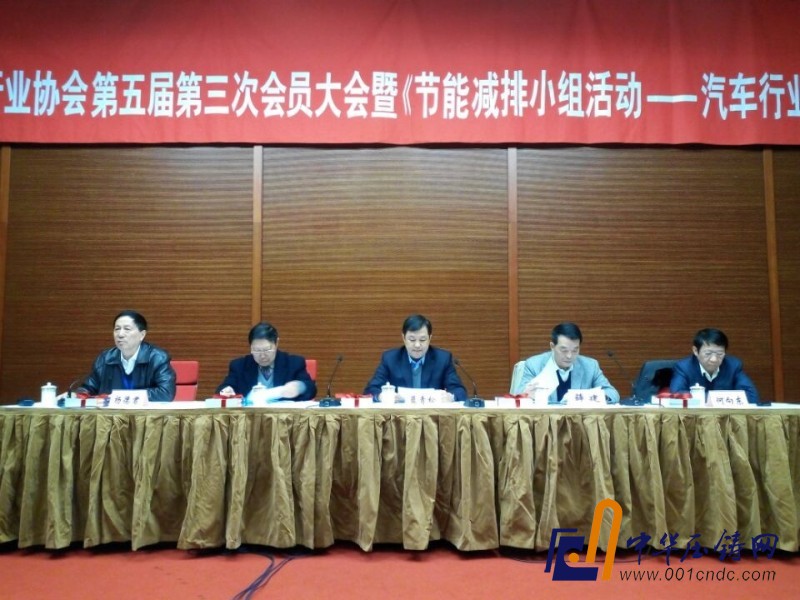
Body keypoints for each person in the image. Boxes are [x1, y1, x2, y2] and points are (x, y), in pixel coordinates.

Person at [364, 314, 467, 401]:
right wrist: (381, 396)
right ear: (404, 338)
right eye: (412, 340)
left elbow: (460, 391)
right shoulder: (390, 359)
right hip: (399, 416)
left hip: (432, 416)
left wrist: (450, 397)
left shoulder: (443, 359)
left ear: (430, 338)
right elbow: (370, 390)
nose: (417, 345)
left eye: (422, 340)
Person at [78, 310, 176, 402]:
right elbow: (88, 388)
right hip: (111, 414)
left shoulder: (157, 358)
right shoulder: (105, 358)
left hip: (145, 413)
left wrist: (125, 396)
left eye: (127, 329)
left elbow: (166, 393)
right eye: (117, 329)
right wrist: (81, 394)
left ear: (142, 335)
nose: (120, 334)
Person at [512, 322, 620, 403]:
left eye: (575, 350)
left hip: (579, 423)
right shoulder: (534, 365)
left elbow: (612, 394)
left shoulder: (590, 366)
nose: (569, 356)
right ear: (552, 346)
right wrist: (526, 395)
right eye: (564, 350)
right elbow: (518, 396)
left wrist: (586, 397)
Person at [216, 321, 316, 401]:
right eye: (257, 350)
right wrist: (227, 390)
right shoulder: (239, 366)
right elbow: (224, 387)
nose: (262, 355)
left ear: (276, 343)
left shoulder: (294, 363)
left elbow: (311, 389)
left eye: (267, 350)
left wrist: (299, 387)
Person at [670, 327, 759, 404]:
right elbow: (677, 395)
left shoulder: (733, 366)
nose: (714, 359)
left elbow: (752, 396)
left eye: (719, 354)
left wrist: (705, 398)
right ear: (695, 351)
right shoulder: (684, 367)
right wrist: (720, 399)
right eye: (708, 353)